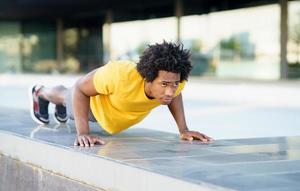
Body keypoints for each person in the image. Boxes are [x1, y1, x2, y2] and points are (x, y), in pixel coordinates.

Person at [29, 41, 212, 147]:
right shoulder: (119, 74)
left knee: (66, 102)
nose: (170, 91)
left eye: (175, 84)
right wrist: (83, 132)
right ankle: (40, 92)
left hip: (113, 120)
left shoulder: (175, 80)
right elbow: (80, 88)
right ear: (147, 77)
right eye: (164, 84)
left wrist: (183, 130)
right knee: (66, 95)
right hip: (93, 107)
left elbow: (177, 95)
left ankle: (61, 105)